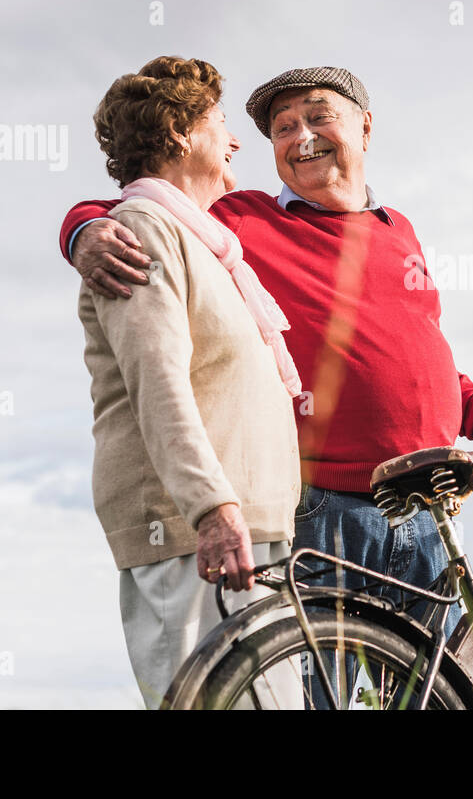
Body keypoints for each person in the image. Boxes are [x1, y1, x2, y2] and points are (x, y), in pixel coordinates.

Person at [61, 65, 473, 645]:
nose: (301, 136)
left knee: (449, 689)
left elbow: (423, 360)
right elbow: (146, 195)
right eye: (283, 127)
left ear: (365, 128)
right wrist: (82, 230)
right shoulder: (242, 217)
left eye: (319, 116)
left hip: (428, 512)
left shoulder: (400, 231)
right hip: (321, 511)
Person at [77, 56, 303, 709]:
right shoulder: (143, 229)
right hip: (188, 532)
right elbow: (159, 380)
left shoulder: (205, 240)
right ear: (180, 132)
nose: (236, 141)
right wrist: (212, 507)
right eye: (222, 122)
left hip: (240, 527)